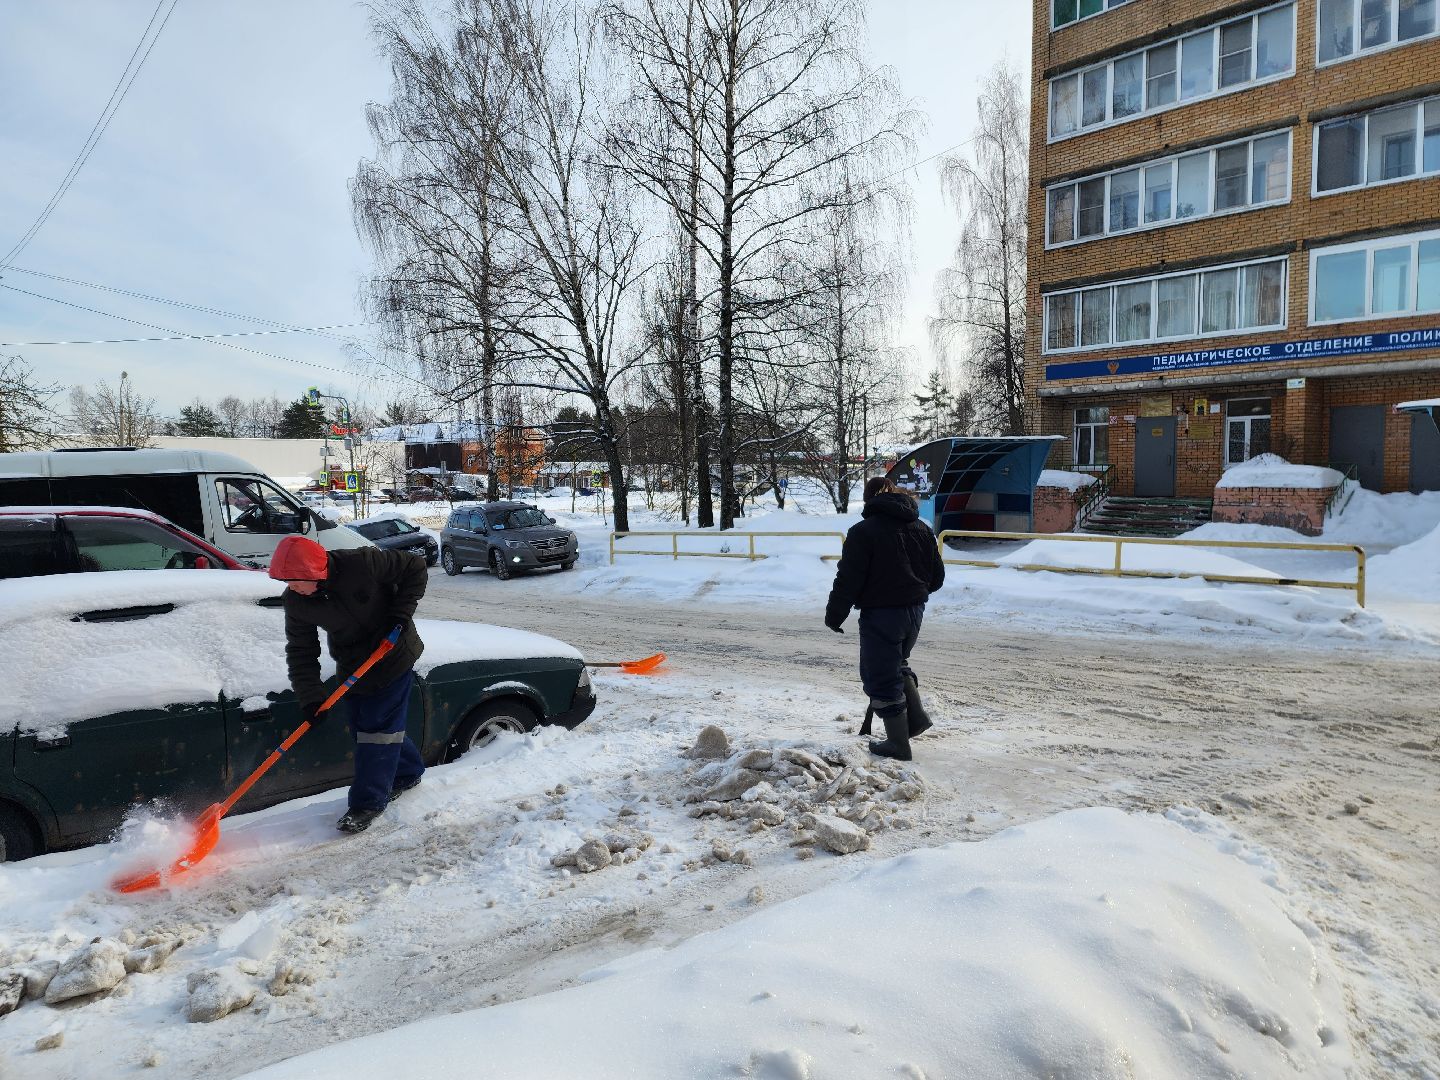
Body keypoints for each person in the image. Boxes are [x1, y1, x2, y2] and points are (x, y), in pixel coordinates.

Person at [269, 534, 429, 833]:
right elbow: (301, 651)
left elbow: (415, 567)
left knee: (377, 730)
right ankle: (407, 772)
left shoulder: (362, 563)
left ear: (315, 572)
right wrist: (311, 698)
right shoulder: (296, 602)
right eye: (286, 581)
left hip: (393, 654)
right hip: (354, 665)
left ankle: (367, 802)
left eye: (295, 580)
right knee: (364, 729)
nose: (291, 587)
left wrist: (399, 616)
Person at [824, 476, 946, 761]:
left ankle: (898, 745)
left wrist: (835, 615)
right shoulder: (921, 527)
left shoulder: (863, 532)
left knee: (880, 674)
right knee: (894, 665)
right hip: (915, 612)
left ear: (868, 500)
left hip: (882, 614)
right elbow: (937, 578)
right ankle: (914, 722)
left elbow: (848, 580)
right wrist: (913, 589)